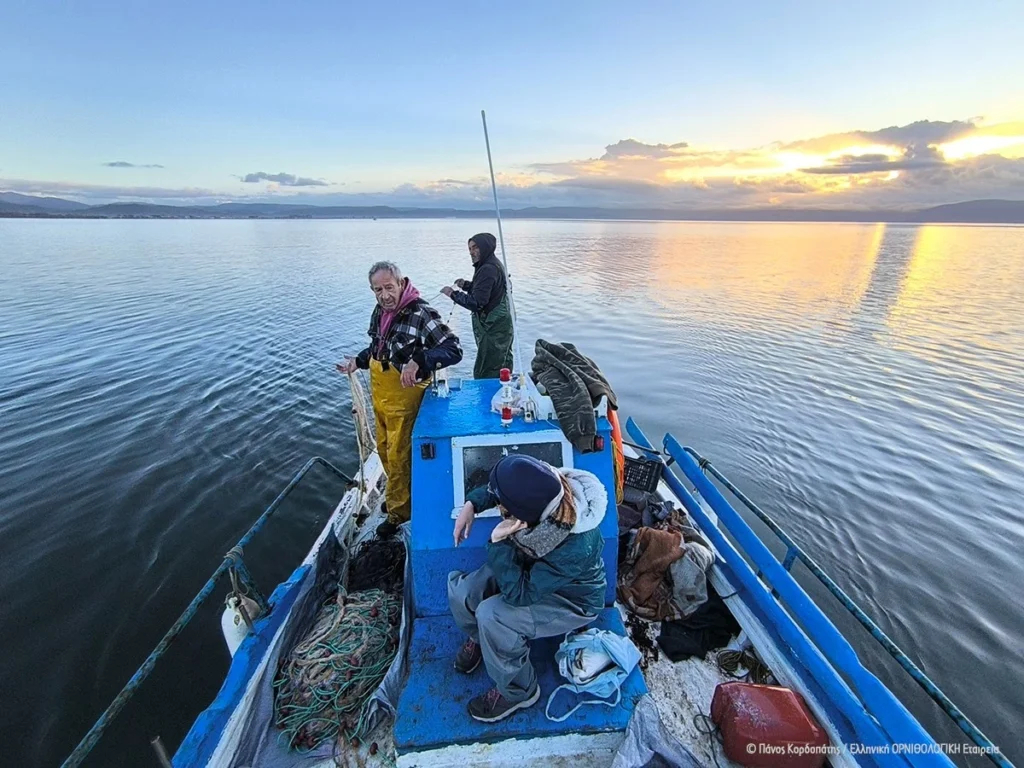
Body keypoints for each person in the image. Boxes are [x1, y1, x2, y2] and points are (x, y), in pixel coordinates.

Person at [448, 454, 607, 722]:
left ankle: (519, 691)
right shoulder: (549, 486)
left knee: (493, 616)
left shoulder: (575, 545)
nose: (499, 504)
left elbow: (520, 594)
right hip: (534, 570)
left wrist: (498, 542)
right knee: (464, 592)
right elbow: (499, 490)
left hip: (571, 598)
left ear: (522, 518)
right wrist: (472, 504)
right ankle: (481, 639)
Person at [338, 261, 462, 537]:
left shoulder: (421, 312)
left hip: (406, 399)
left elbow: (453, 350)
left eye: (389, 288)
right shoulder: (381, 311)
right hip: (381, 397)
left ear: (402, 282)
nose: (384, 295)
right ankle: (399, 499)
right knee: (383, 450)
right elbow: (377, 346)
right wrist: (357, 362)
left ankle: (399, 514)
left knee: (400, 456)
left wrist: (420, 360)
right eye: (377, 290)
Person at [441, 233, 514, 379]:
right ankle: (503, 392)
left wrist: (453, 294)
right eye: (469, 249)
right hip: (502, 325)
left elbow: (477, 303)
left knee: (486, 369)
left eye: (475, 247)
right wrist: (466, 285)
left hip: (493, 327)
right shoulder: (492, 264)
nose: (471, 252)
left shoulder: (488, 268)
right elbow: (486, 290)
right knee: (502, 364)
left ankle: (488, 398)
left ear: (485, 247)